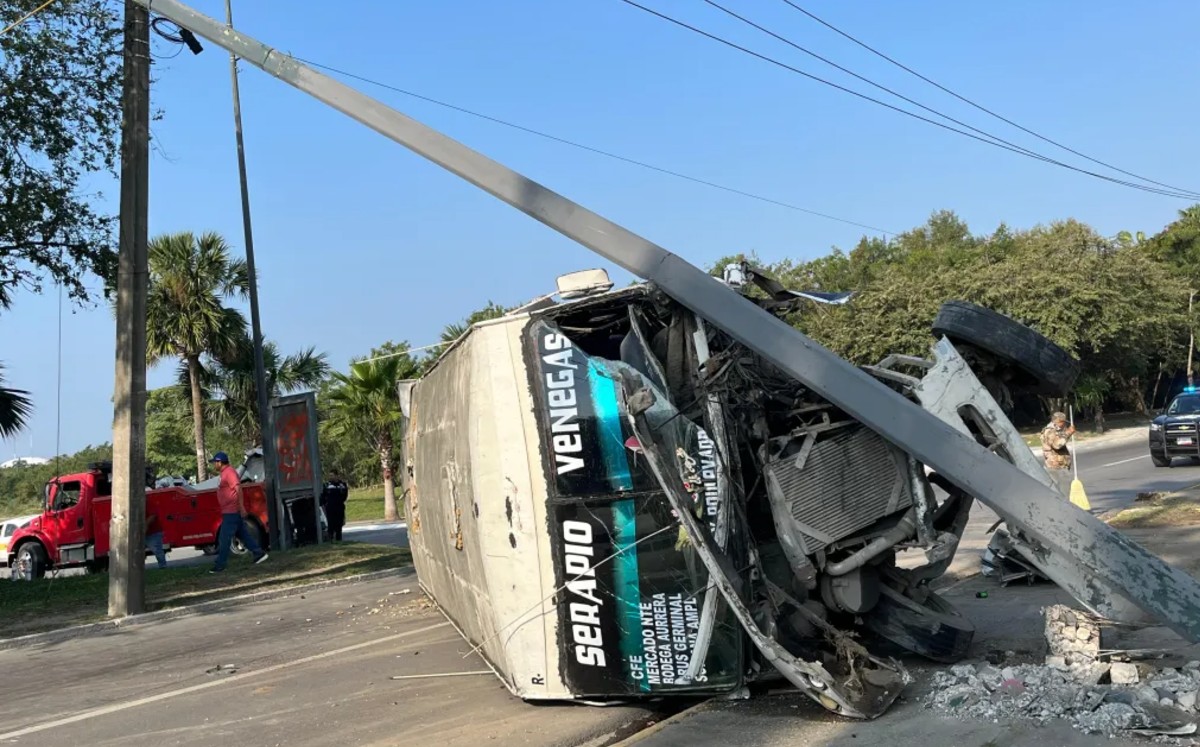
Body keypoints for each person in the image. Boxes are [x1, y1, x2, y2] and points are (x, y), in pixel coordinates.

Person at [210, 451, 268, 573]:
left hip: (232, 511)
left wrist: (241, 507)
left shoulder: (229, 472)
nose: (214, 465)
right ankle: (259, 553)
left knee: (224, 538)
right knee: (243, 535)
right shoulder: (224, 473)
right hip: (229, 511)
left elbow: (238, 489)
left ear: (220, 462)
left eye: (215, 462)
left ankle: (220, 564)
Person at [1041, 411, 1076, 498]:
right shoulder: (1050, 431)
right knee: (1063, 492)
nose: (1064, 425)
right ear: (1059, 421)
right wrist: (1068, 433)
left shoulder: (1055, 430)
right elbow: (1057, 445)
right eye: (1063, 423)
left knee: (1058, 492)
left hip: (1058, 465)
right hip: (1056, 466)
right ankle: (1064, 509)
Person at [321, 471, 349, 541]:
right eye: (330, 475)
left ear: (337, 476)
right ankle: (331, 540)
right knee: (331, 526)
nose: (330, 477)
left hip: (339, 508)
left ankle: (339, 540)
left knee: (339, 526)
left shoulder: (342, 485)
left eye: (332, 475)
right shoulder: (327, 485)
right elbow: (323, 497)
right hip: (330, 509)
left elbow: (344, 496)